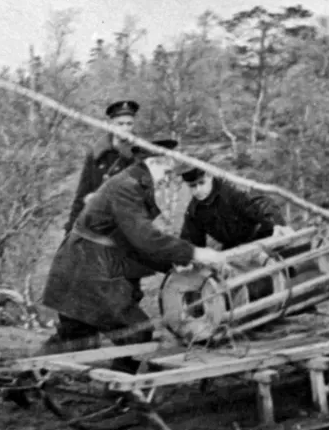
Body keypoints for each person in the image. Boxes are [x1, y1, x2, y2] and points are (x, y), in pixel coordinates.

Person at [42, 140, 230, 367]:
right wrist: (195, 253)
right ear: (154, 162)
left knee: (74, 335)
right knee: (135, 332)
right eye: (167, 169)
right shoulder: (127, 188)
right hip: (90, 269)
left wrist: (173, 263)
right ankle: (122, 393)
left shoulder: (134, 184)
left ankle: (23, 380)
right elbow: (144, 238)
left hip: (83, 266)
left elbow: (133, 242)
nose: (168, 176)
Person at [65, 99, 142, 233]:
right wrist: (70, 231)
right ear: (110, 125)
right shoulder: (96, 154)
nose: (125, 128)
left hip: (127, 228)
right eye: (120, 124)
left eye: (129, 124)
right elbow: (81, 195)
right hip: (96, 226)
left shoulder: (140, 154)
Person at [177, 166, 291, 250]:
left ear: (209, 175)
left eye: (201, 183)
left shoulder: (232, 189)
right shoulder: (194, 211)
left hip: (260, 236)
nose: (197, 190)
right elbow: (190, 242)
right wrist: (185, 257)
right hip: (233, 248)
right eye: (192, 186)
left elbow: (260, 203)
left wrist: (277, 224)